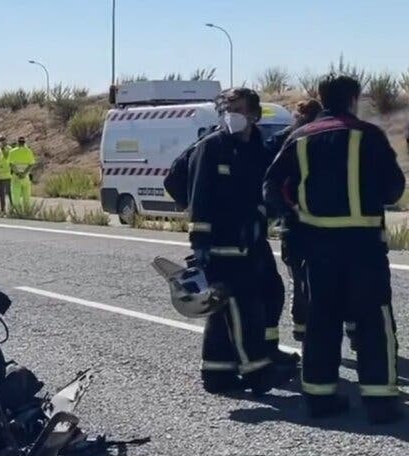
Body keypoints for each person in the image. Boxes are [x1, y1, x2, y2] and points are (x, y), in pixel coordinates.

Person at [264, 75, 405, 422]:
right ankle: (380, 400)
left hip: (318, 247)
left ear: (322, 98)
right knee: (373, 319)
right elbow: (393, 190)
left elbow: (271, 186)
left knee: (321, 320)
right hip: (363, 247)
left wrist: (293, 215)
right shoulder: (369, 136)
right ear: (354, 99)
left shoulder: (298, 138)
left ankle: (319, 396)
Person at [165, 88, 292, 395]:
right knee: (242, 305)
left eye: (237, 109)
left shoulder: (255, 146)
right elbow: (183, 186)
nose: (230, 114)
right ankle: (256, 371)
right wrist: (201, 243)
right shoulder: (211, 147)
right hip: (219, 243)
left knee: (227, 307)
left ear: (255, 115)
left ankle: (217, 373)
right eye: (227, 108)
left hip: (249, 241)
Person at [266, 99, 322, 343]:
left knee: (299, 280)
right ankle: (308, 330)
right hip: (309, 222)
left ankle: (304, 331)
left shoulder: (284, 140)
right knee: (309, 279)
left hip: (296, 221)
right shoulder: (297, 140)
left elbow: (269, 181)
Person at [7, 137, 36, 208]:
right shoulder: (29, 151)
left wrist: (17, 173)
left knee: (16, 195)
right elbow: (31, 164)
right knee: (26, 195)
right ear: (24, 142)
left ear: (17, 142)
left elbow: (11, 164)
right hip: (25, 177)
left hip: (16, 176)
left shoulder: (12, 151)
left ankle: (16, 211)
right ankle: (26, 211)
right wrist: (24, 173)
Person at [0, 136, 14, 213]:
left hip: (7, 175)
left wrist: (2, 148)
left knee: (9, 193)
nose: (1, 142)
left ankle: (13, 208)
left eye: (2, 140)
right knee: (1, 194)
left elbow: (6, 157)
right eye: (0, 140)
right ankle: (3, 209)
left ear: (6, 140)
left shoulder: (9, 149)